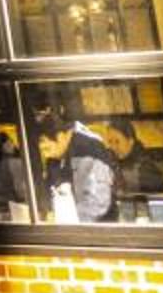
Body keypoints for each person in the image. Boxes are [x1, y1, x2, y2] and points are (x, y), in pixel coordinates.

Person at [32, 91, 118, 223]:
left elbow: (97, 203)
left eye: (47, 148)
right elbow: (51, 189)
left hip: (98, 227)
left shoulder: (88, 149)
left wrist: (67, 220)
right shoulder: (56, 155)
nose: (45, 154)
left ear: (62, 137)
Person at [100, 113, 163, 216]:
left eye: (117, 141)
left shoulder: (146, 168)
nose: (113, 147)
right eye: (110, 142)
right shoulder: (111, 164)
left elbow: (160, 205)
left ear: (130, 141)